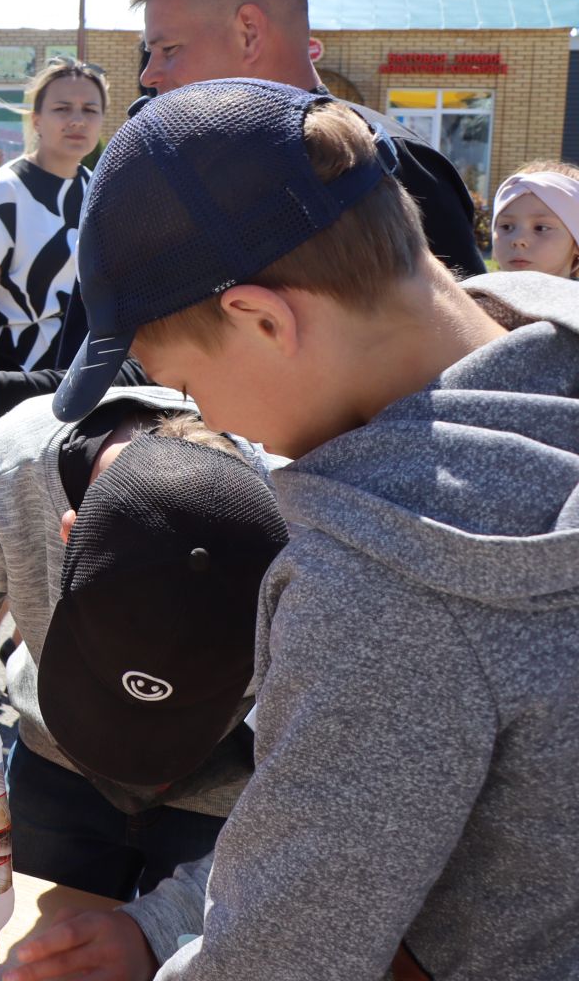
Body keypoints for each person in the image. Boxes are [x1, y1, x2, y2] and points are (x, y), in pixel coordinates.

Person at [42, 78, 579, 981]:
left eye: (188, 382)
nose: (204, 415)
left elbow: (281, 960)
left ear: (260, 318)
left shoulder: (383, 590)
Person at [0, 0, 487, 443]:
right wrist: (3, 396)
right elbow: (157, 358)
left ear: (248, 31)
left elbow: (452, 372)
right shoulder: (174, 166)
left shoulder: (388, 168)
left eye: (169, 49)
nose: (149, 74)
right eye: (149, 53)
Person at [0, 393, 287, 979]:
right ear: (71, 538)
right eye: (102, 698)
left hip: (240, 802)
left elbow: (325, 811)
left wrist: (158, 934)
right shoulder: (0, 486)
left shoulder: (314, 537)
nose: (138, 762)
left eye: (176, 714)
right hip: (55, 773)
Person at [0, 57, 105, 373]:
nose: (77, 120)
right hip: (11, 373)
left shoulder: (98, 189)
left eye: (90, 110)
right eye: (62, 109)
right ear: (36, 120)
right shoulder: (4, 193)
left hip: (78, 374)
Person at [492, 160, 579, 278]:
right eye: (506, 227)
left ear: (576, 243)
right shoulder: (472, 294)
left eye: (541, 228)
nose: (518, 240)